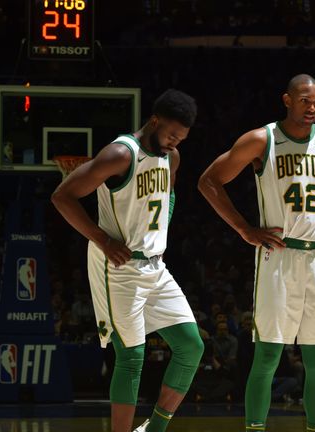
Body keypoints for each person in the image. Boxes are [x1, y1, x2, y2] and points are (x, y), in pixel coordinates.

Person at [197, 74, 315, 432]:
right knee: (268, 355)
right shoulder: (261, 139)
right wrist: (245, 228)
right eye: (305, 100)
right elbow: (209, 181)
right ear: (287, 100)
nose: (311, 107)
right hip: (280, 255)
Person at [51, 89, 204, 432]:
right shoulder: (120, 154)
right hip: (117, 266)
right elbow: (62, 197)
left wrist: (162, 233)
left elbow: (170, 193)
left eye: (180, 139)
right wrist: (103, 239)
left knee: (191, 347)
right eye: (170, 135)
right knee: (131, 357)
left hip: (155, 266)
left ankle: (154, 429)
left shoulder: (171, 157)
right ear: (154, 121)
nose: (173, 143)